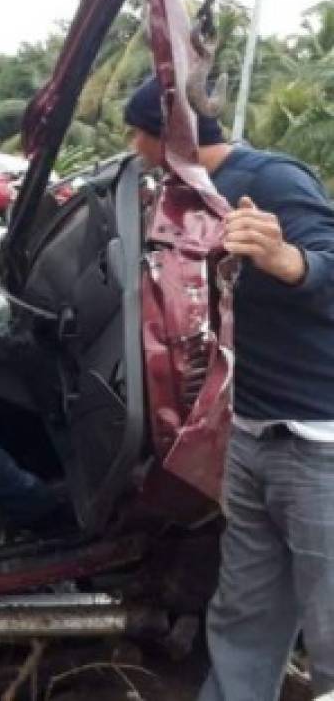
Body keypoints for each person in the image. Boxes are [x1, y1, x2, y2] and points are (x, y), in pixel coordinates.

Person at [115, 77, 334, 701]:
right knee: (246, 614)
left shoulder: (273, 181)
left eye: (138, 133)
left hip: (318, 443)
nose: (134, 147)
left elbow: (327, 262)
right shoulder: (190, 196)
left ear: (168, 140)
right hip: (253, 435)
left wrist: (292, 263)